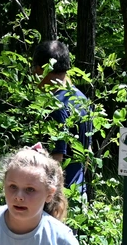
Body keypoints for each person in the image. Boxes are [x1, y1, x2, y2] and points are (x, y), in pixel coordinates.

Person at [31, 40, 93, 198]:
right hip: (79, 193)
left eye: (34, 69)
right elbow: (87, 154)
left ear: (41, 69)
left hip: (58, 199)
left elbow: (55, 161)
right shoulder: (82, 99)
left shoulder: (55, 106)